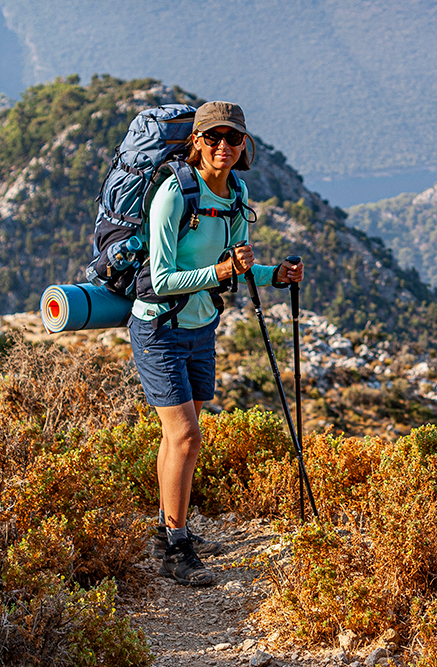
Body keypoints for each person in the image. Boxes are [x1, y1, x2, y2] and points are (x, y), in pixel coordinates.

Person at [128, 101, 303, 586]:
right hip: (160, 326)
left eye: (233, 138)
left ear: (244, 145)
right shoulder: (173, 195)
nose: (222, 147)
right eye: (212, 138)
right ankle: (177, 547)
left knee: (178, 437)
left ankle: (169, 527)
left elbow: (238, 266)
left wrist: (274, 275)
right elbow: (161, 279)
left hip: (201, 327)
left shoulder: (237, 194)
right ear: (196, 141)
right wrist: (222, 271)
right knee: (186, 436)